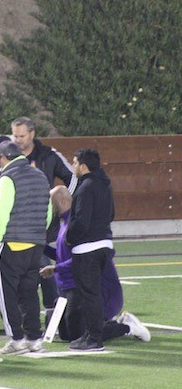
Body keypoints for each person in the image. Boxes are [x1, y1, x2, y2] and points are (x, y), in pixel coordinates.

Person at [41, 186, 150, 343]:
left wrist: (55, 269)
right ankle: (109, 323)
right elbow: (62, 256)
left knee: (79, 334)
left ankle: (128, 327)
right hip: (71, 288)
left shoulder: (76, 225)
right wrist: (41, 247)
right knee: (66, 334)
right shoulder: (65, 223)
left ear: (63, 201)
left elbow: (82, 259)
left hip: (89, 289)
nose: (50, 208)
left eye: (52, 203)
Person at [0, 141, 51, 356]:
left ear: (4, 157)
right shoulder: (40, 176)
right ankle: (34, 339)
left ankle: (16, 339)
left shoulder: (7, 178)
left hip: (11, 244)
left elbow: (0, 213)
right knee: (29, 293)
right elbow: (48, 212)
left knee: (6, 294)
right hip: (36, 244)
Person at [66, 149, 116, 352]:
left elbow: (81, 221)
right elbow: (111, 214)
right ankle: (90, 334)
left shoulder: (86, 187)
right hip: (103, 244)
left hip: (87, 248)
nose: (73, 166)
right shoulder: (104, 184)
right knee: (92, 294)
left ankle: (94, 338)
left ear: (84, 166)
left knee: (90, 295)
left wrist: (69, 237)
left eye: (75, 163)